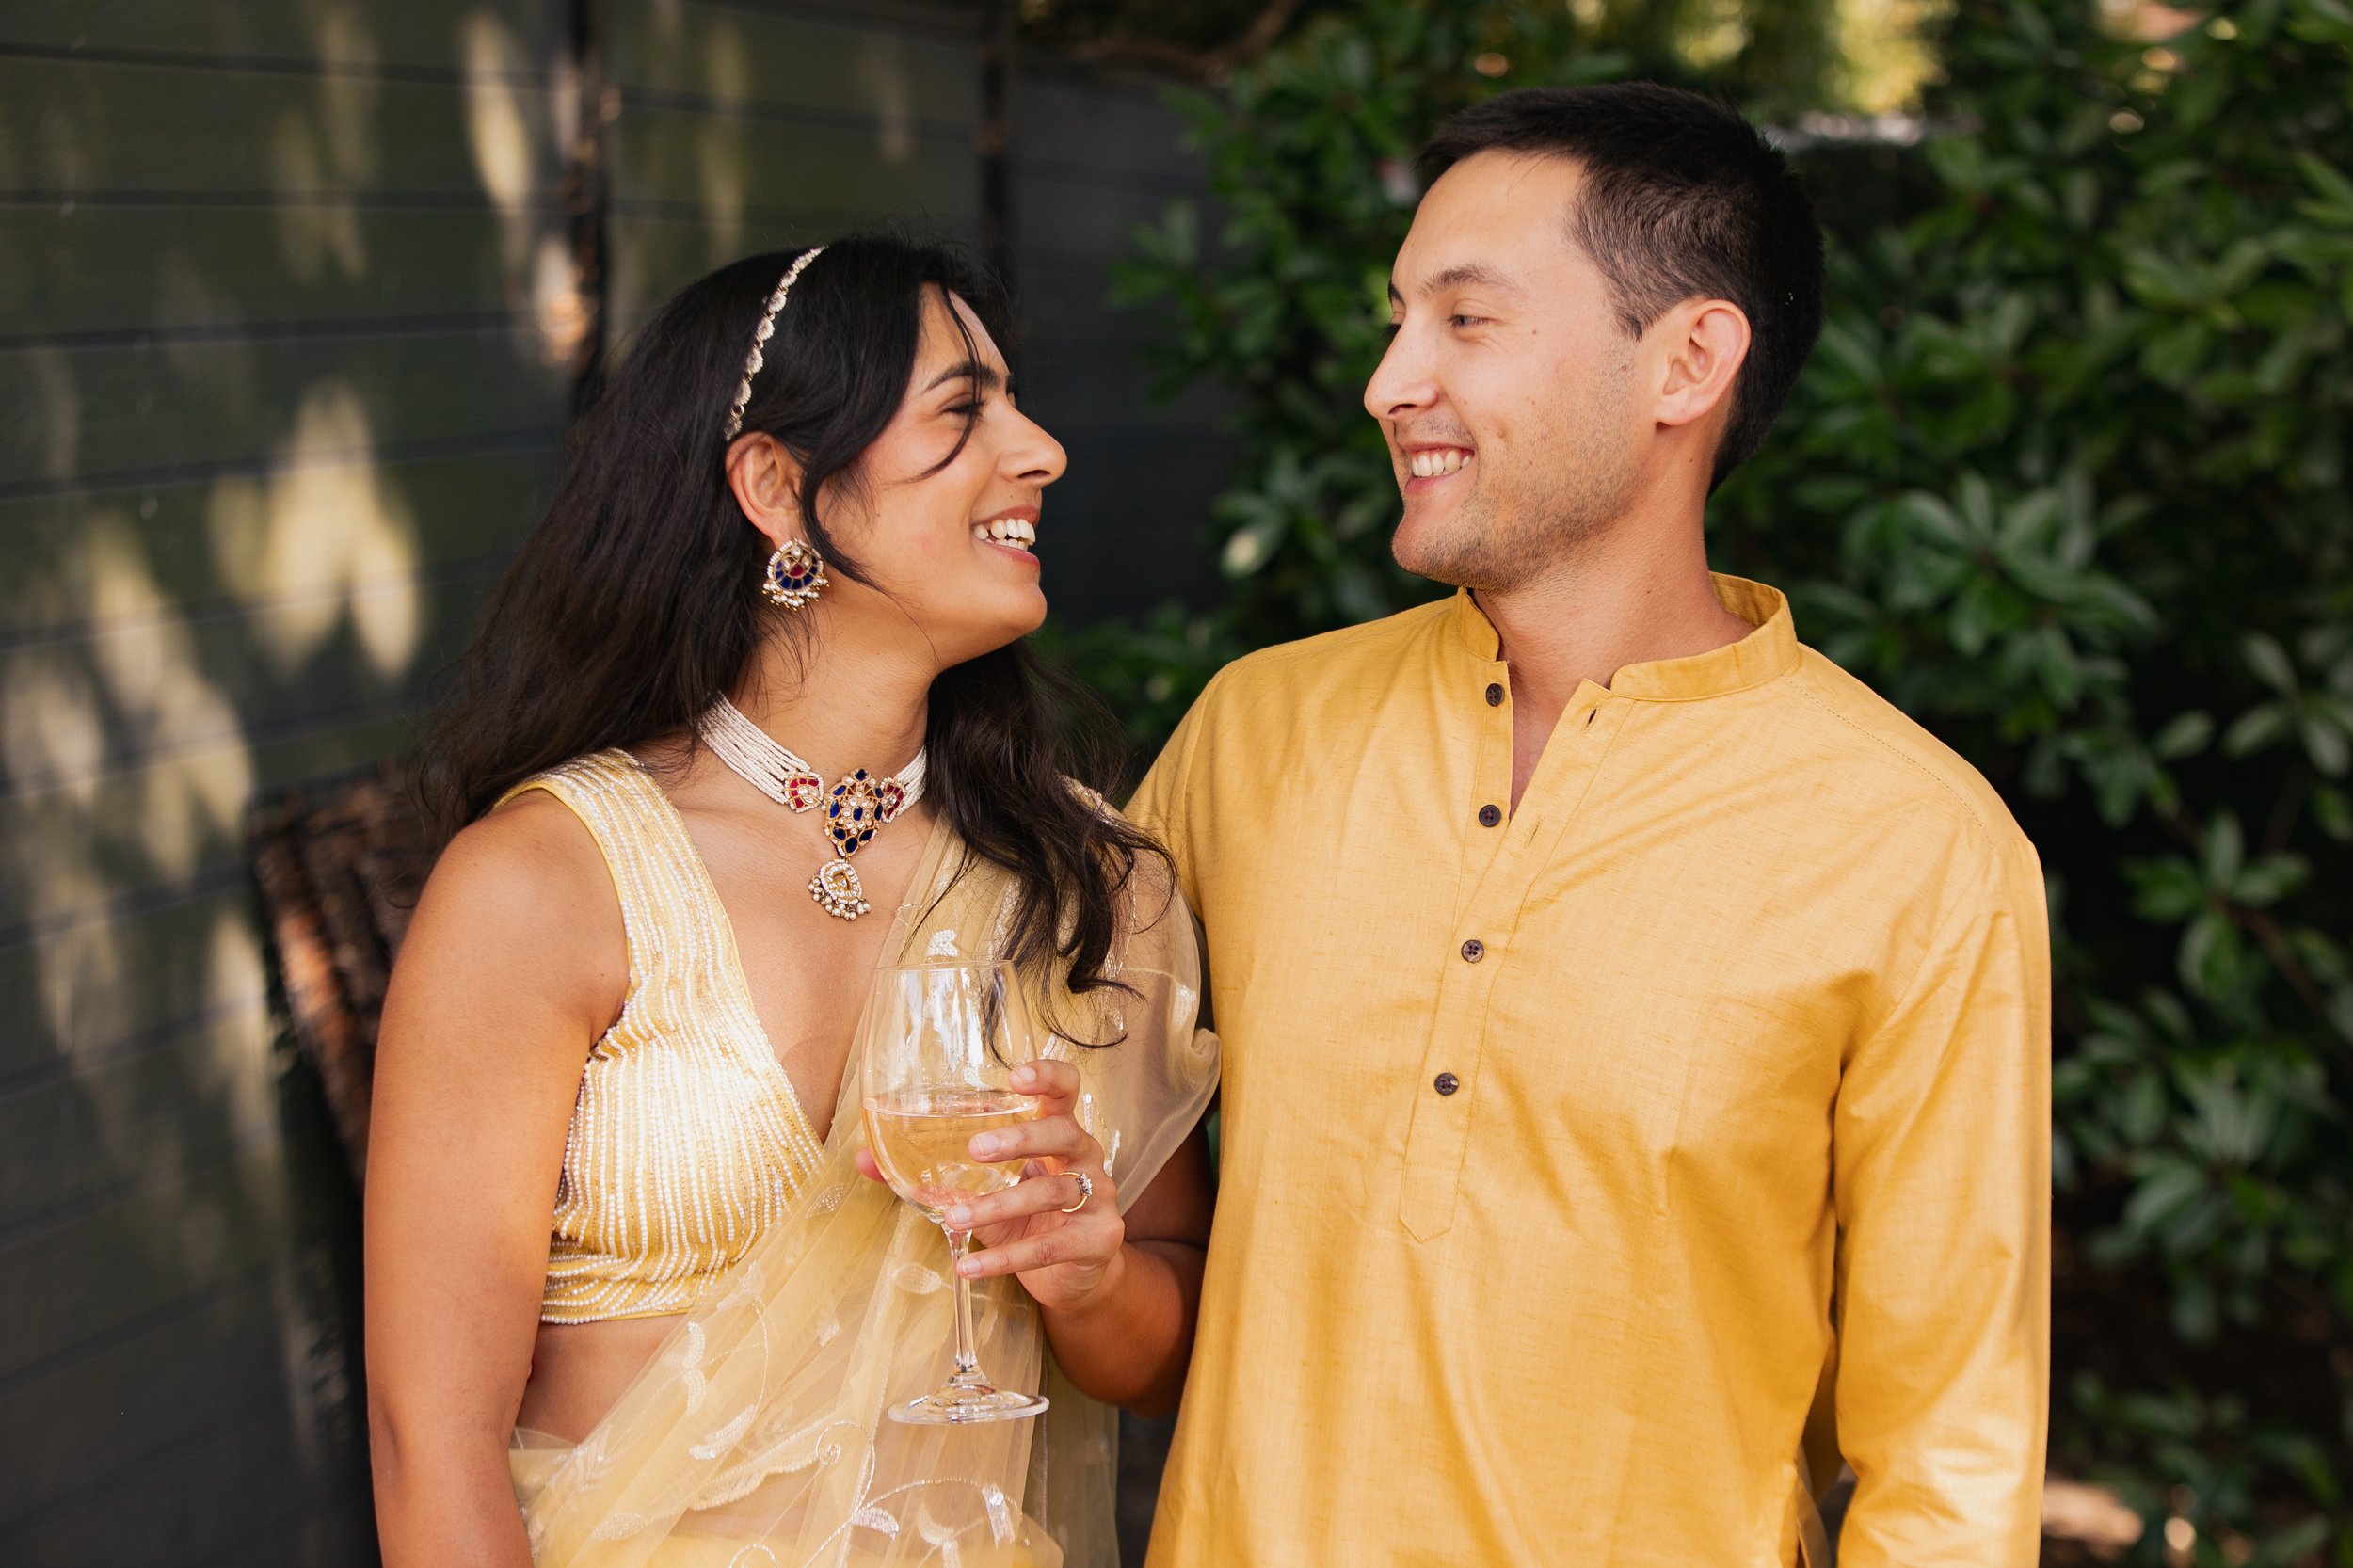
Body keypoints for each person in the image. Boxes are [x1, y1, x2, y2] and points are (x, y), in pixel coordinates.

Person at [1129, 83, 2050, 1567]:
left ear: (1688, 359)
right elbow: (1055, 1141)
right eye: (1394, 320)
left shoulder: (1918, 845)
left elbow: (1950, 1461)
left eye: (1465, 321)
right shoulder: (1257, 735)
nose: (1389, 381)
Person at [364, 235, 1218, 1568]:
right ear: (777, 487)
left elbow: (1168, 1350)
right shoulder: (545, 884)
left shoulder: (1085, 882)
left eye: (1016, 399)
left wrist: (1090, 1272)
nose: (1041, 449)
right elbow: (433, 1438)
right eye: (961, 409)